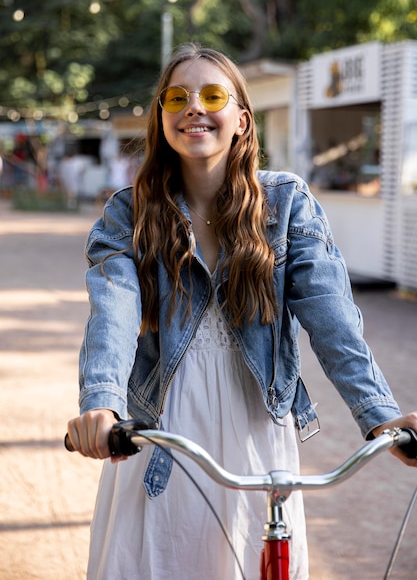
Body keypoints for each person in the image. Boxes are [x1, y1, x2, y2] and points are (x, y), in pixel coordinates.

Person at [67, 42, 417, 580]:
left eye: (212, 95)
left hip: (258, 428)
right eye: (177, 97)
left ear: (241, 119)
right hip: (162, 427)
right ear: (161, 115)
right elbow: (113, 310)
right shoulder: (129, 212)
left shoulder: (286, 204)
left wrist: (382, 417)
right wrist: (103, 406)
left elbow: (333, 320)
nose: (194, 108)